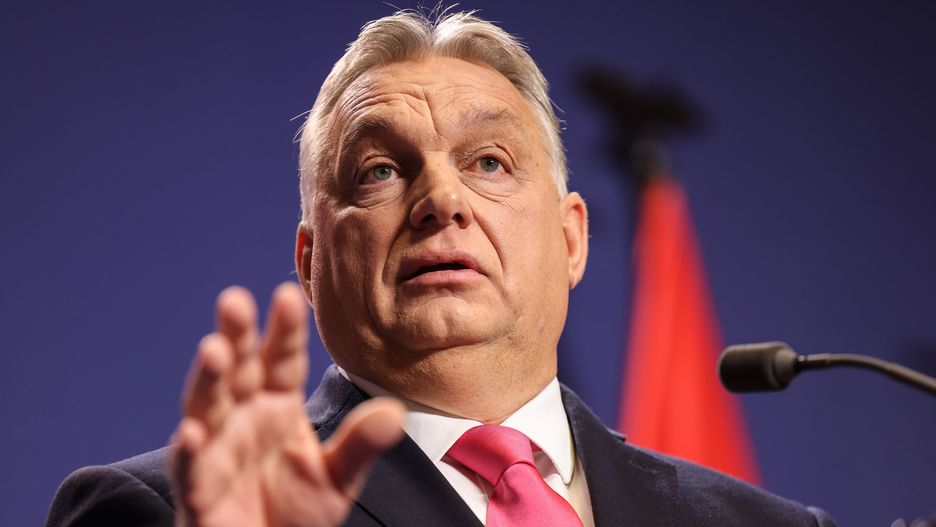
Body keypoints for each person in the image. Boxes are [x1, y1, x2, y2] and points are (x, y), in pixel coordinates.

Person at [46, 10, 835, 527]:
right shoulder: (162, 511)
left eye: (489, 161)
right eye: (381, 171)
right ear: (312, 260)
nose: (441, 200)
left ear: (571, 240)